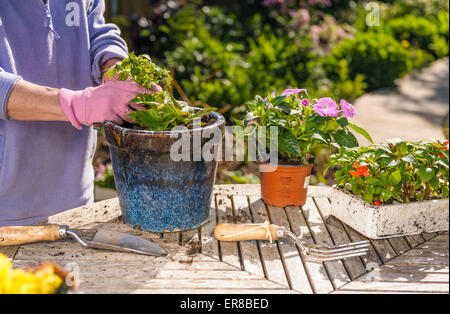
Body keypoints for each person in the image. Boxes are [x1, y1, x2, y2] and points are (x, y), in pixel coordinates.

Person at [0, 0, 156, 226]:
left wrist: (114, 69)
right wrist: (78, 104)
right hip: (7, 215)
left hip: (76, 201)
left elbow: (97, 31)